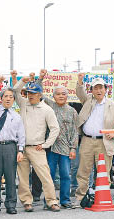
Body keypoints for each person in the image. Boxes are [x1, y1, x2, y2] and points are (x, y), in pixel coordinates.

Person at [73, 74, 114, 207]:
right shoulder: (88, 100)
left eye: (101, 88)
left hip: (104, 142)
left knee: (103, 172)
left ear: (106, 89)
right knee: (83, 171)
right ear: (92, 90)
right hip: (87, 141)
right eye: (95, 88)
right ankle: (80, 197)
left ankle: (102, 197)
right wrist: (80, 82)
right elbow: (79, 92)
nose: (98, 91)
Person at [13, 71, 61, 212]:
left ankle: (52, 201)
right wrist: (23, 80)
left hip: (37, 147)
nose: (30, 95)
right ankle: (27, 201)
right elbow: (15, 90)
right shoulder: (23, 103)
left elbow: (55, 129)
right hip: (22, 147)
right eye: (28, 93)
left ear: (40, 95)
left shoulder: (47, 109)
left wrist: (46, 144)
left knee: (45, 175)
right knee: (22, 177)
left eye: (33, 93)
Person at [38, 72, 79, 209]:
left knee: (65, 176)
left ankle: (65, 200)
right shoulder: (49, 106)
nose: (61, 96)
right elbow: (39, 93)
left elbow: (75, 131)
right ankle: (48, 201)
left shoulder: (72, 111)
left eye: (64, 94)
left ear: (67, 96)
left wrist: (73, 148)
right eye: (58, 94)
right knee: (48, 175)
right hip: (50, 148)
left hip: (66, 149)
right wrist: (40, 78)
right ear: (53, 96)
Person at [0, 75, 25, 215]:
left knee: (10, 177)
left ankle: (11, 204)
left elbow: (21, 135)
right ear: (1, 98)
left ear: (14, 100)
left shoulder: (17, 116)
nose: (8, 98)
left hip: (10, 147)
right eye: (6, 96)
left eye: (11, 96)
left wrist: (21, 150)